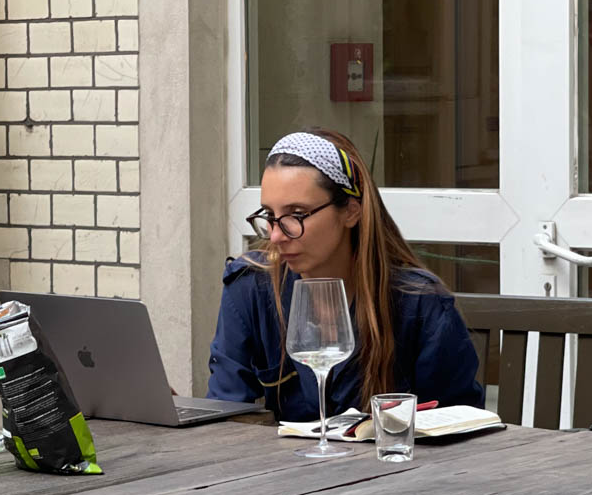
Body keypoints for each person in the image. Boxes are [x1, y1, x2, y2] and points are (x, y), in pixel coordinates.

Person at [207, 128, 484, 421]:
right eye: (270, 216)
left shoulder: (419, 304)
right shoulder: (249, 288)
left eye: (296, 215)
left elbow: (457, 427)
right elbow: (225, 413)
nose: (276, 236)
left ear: (351, 211)